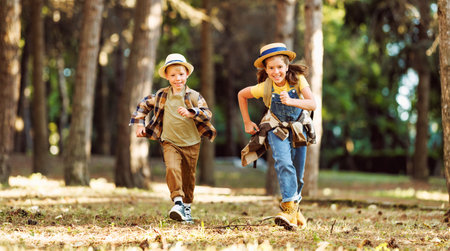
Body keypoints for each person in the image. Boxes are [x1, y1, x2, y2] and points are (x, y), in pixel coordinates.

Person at [238, 43, 316, 230]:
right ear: (265, 69)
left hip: (298, 128)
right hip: (276, 128)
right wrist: (247, 122)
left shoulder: (298, 80)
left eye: (280, 67)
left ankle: (295, 211)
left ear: (287, 66)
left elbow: (312, 104)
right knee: (283, 162)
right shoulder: (265, 87)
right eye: (271, 68)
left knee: (298, 172)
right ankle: (288, 206)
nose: (276, 71)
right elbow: (241, 95)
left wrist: (291, 101)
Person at [130, 53, 216, 223]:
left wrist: (192, 112)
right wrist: (139, 124)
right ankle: (177, 202)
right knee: (172, 168)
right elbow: (144, 104)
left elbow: (207, 113)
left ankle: (187, 207)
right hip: (169, 141)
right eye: (173, 75)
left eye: (181, 74)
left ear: (187, 75)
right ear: (167, 77)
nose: (178, 78)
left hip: (192, 143)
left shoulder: (193, 96)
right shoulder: (163, 95)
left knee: (188, 176)